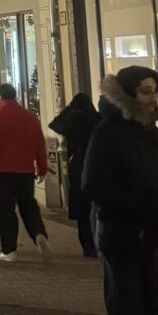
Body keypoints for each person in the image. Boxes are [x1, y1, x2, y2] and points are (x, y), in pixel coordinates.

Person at [82, 67, 158, 315]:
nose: (152, 98)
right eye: (146, 91)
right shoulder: (107, 132)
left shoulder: (152, 133)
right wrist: (134, 204)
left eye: (155, 91)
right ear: (129, 94)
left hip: (148, 236)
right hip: (119, 235)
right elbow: (92, 184)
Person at [0, 83, 49, 262]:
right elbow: (39, 144)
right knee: (28, 205)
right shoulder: (30, 117)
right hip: (25, 170)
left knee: (6, 210)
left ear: (0, 96)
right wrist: (42, 167)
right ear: (15, 96)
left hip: (2, 172)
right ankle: (38, 233)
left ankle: (9, 250)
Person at [49, 92, 100, 258]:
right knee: (95, 205)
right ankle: (98, 242)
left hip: (78, 164)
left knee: (82, 209)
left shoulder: (73, 120)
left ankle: (87, 247)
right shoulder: (97, 119)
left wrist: (68, 109)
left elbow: (54, 124)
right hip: (95, 163)